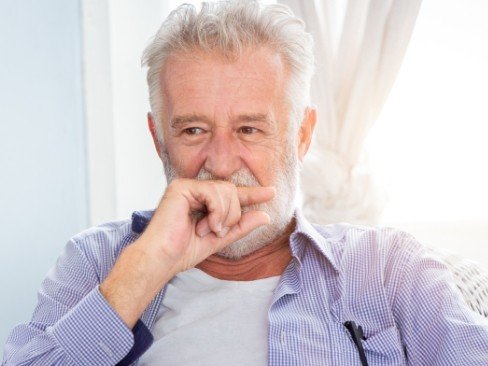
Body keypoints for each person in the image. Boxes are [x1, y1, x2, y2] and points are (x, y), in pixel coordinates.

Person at [3, 1, 488, 365]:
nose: (220, 162)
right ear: (158, 139)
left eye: (249, 130)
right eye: (193, 130)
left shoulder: (390, 269)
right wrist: (147, 267)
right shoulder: (95, 263)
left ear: (302, 136)